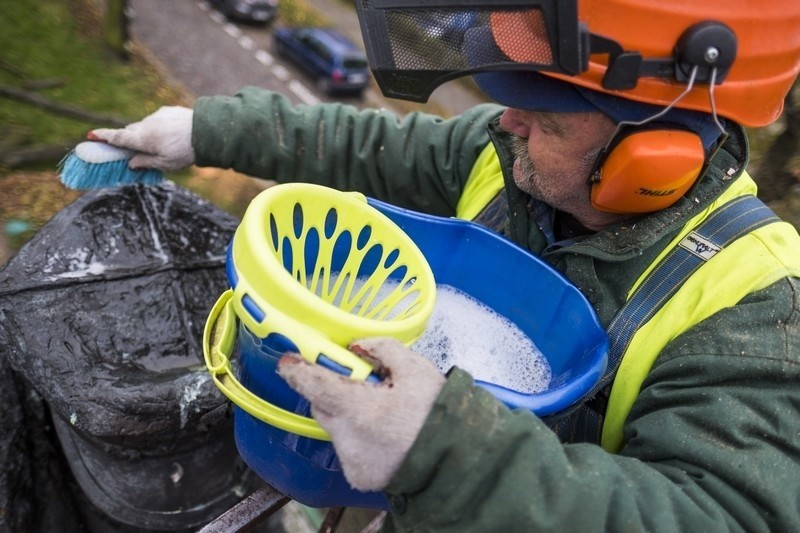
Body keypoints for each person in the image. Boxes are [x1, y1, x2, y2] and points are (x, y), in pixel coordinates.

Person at [90, 0, 800, 530]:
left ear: (654, 156)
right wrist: (203, 131)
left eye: (543, 115)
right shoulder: (504, 154)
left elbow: (717, 514)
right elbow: (363, 146)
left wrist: (446, 447)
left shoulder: (755, 308)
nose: (508, 123)